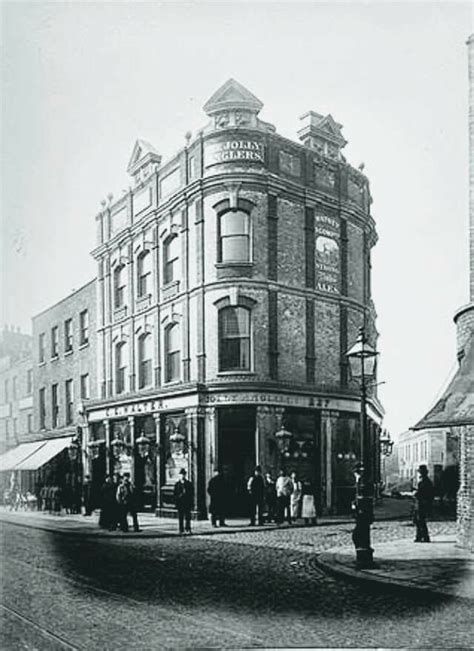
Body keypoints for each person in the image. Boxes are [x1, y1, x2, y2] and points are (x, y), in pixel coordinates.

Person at [414, 464, 434, 543]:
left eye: (421, 472)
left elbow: (425, 493)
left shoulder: (425, 481)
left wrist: (416, 493)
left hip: (422, 503)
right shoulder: (423, 480)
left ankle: (425, 537)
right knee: (418, 521)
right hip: (419, 503)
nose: (420, 473)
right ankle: (419, 536)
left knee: (421, 521)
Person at [174, 468, 193, 534]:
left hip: (187, 502)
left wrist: (191, 502)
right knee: (181, 517)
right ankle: (181, 529)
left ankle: (188, 528)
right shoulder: (177, 484)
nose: (182, 476)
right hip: (180, 502)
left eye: (183, 474)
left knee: (188, 516)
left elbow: (191, 494)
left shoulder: (189, 484)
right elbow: (175, 494)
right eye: (181, 474)